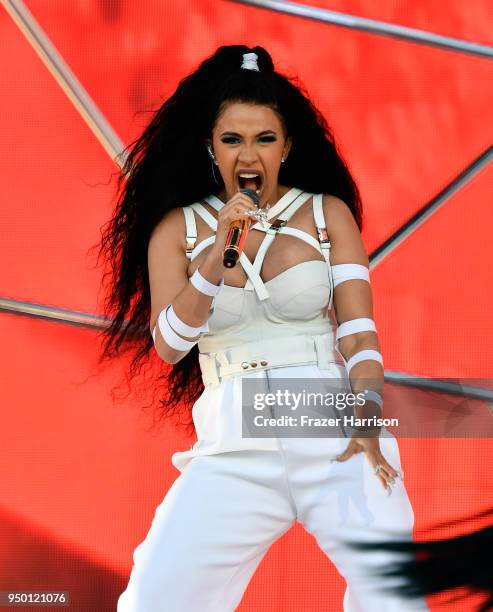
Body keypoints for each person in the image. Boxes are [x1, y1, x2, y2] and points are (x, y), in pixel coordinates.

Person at [100, 45, 428, 611]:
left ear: (287, 145)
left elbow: (358, 334)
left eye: (264, 138)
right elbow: (170, 344)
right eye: (232, 140)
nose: (248, 154)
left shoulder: (326, 214)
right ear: (210, 147)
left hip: (328, 424)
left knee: (392, 595)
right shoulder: (178, 229)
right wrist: (216, 253)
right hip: (234, 442)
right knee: (154, 600)